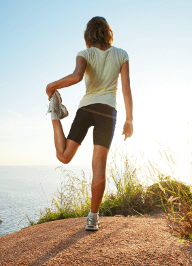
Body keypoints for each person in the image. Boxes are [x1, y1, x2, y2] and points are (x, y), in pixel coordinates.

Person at [46, 16, 133, 231]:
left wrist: (51, 86)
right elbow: (126, 89)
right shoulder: (121, 54)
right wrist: (129, 119)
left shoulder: (84, 54)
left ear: (88, 35)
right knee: (99, 166)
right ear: (107, 32)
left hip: (87, 108)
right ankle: (92, 218)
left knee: (63, 156)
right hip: (107, 111)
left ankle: (55, 115)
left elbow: (76, 77)